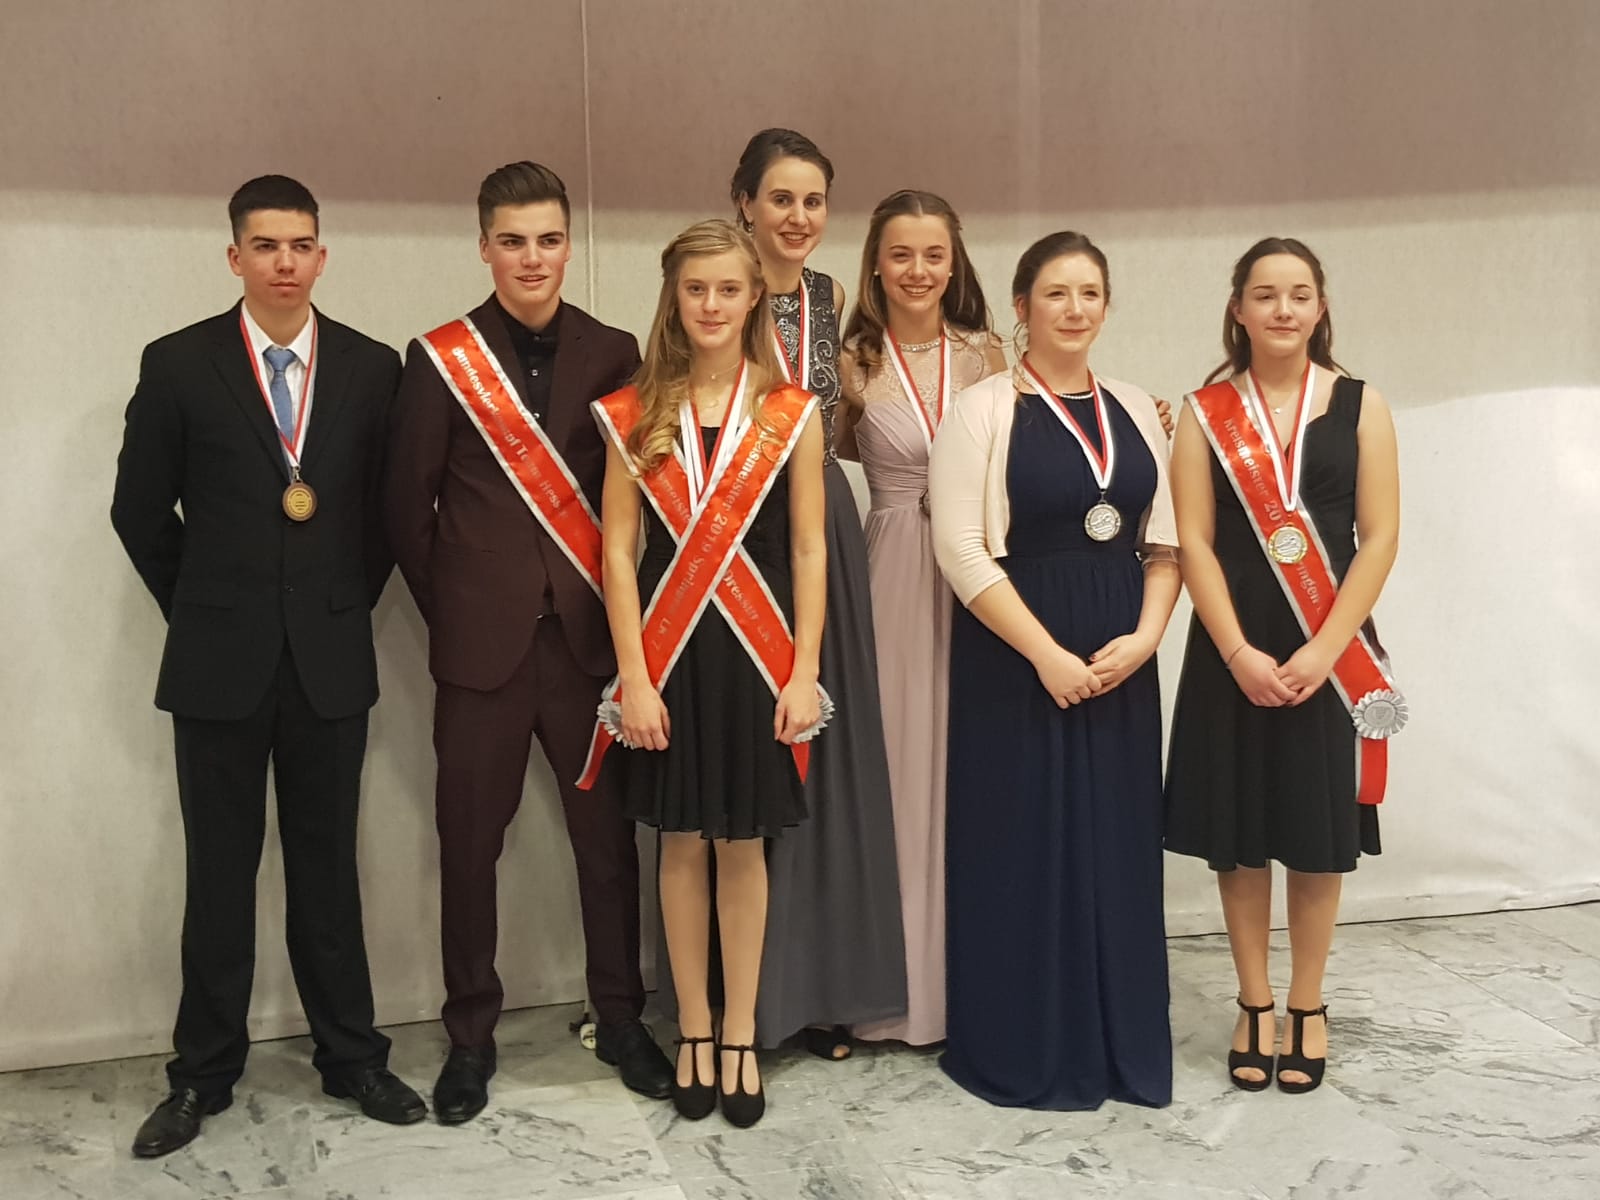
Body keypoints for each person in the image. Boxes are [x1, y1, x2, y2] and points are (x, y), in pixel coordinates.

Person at [111, 175, 426, 1157]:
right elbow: (137, 510)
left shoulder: (372, 368)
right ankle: (201, 1075)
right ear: (235, 257)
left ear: (321, 256)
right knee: (218, 875)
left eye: (300, 245)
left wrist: (336, 602)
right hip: (218, 662)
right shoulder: (179, 364)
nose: (284, 262)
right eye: (265, 245)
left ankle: (353, 1058)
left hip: (327, 659)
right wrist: (205, 606)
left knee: (330, 874)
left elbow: (387, 517)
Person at [384, 161, 671, 1123]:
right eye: (513, 241)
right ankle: (470, 1037)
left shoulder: (614, 350)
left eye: (548, 239)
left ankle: (620, 1018)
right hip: (482, 657)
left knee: (608, 849)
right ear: (484, 247)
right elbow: (406, 511)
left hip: (588, 648)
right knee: (469, 849)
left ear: (568, 245)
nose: (532, 257)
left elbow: (633, 501)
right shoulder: (440, 358)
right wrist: (462, 609)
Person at [929, 231, 1181, 1110]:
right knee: (1024, 845)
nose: (1074, 310)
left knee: (1117, 848)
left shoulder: (1138, 408)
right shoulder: (981, 409)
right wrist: (1044, 655)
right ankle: (1026, 1043)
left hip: (1120, 657)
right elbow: (960, 550)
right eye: (1055, 294)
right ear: (1022, 306)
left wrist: (1146, 639)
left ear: (1106, 306)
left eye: (1089, 294)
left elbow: (1166, 544)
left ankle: (1120, 1043)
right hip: (1016, 658)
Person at [587, 219, 827, 1128]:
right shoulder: (634, 411)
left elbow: (808, 548)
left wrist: (804, 671)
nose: (713, 305)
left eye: (729, 289)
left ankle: (739, 1032)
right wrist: (633, 677)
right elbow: (617, 553)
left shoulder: (791, 411)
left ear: (754, 296)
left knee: (744, 845)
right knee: (682, 842)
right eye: (697, 289)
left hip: (759, 659)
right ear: (674, 297)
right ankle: (691, 1026)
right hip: (669, 655)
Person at [1164, 238, 1402, 1094]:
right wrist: (1236, 650)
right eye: (1264, 295)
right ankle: (1254, 1002)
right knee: (1239, 841)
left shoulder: (1361, 405)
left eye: (1299, 294)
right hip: (1233, 649)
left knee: (1315, 835)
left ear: (1320, 307)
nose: (1283, 309)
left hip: (1326, 650)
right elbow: (1193, 540)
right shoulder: (1204, 412)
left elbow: (1380, 536)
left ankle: (1307, 1003)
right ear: (1238, 309)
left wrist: (1324, 648)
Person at [729, 128, 907, 1060]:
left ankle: (824, 992)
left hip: (823, 522)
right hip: (733, 522)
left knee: (826, 749)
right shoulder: (713, 285)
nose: (798, 217)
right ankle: (747, 1006)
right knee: (746, 752)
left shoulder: (831, 298)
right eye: (781, 199)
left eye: (813, 201)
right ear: (744, 203)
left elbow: (867, 413)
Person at [837, 190, 1007, 1047]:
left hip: (980, 573)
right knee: (896, 773)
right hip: (893, 569)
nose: (917, 270)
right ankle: (886, 990)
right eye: (901, 254)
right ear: (876, 263)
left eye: (933, 254)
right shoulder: (849, 363)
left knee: (972, 769)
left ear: (954, 262)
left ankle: (966, 983)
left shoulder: (988, 354)